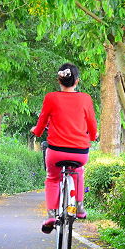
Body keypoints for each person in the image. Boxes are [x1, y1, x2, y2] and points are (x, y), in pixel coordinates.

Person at [30, 63, 97, 233]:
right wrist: (92, 136)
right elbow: (92, 124)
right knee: (79, 170)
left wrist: (36, 132)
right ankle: (79, 207)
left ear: (59, 80)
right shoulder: (85, 98)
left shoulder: (51, 97)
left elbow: (42, 122)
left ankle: (51, 214)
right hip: (80, 152)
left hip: (56, 152)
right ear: (77, 81)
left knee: (53, 178)